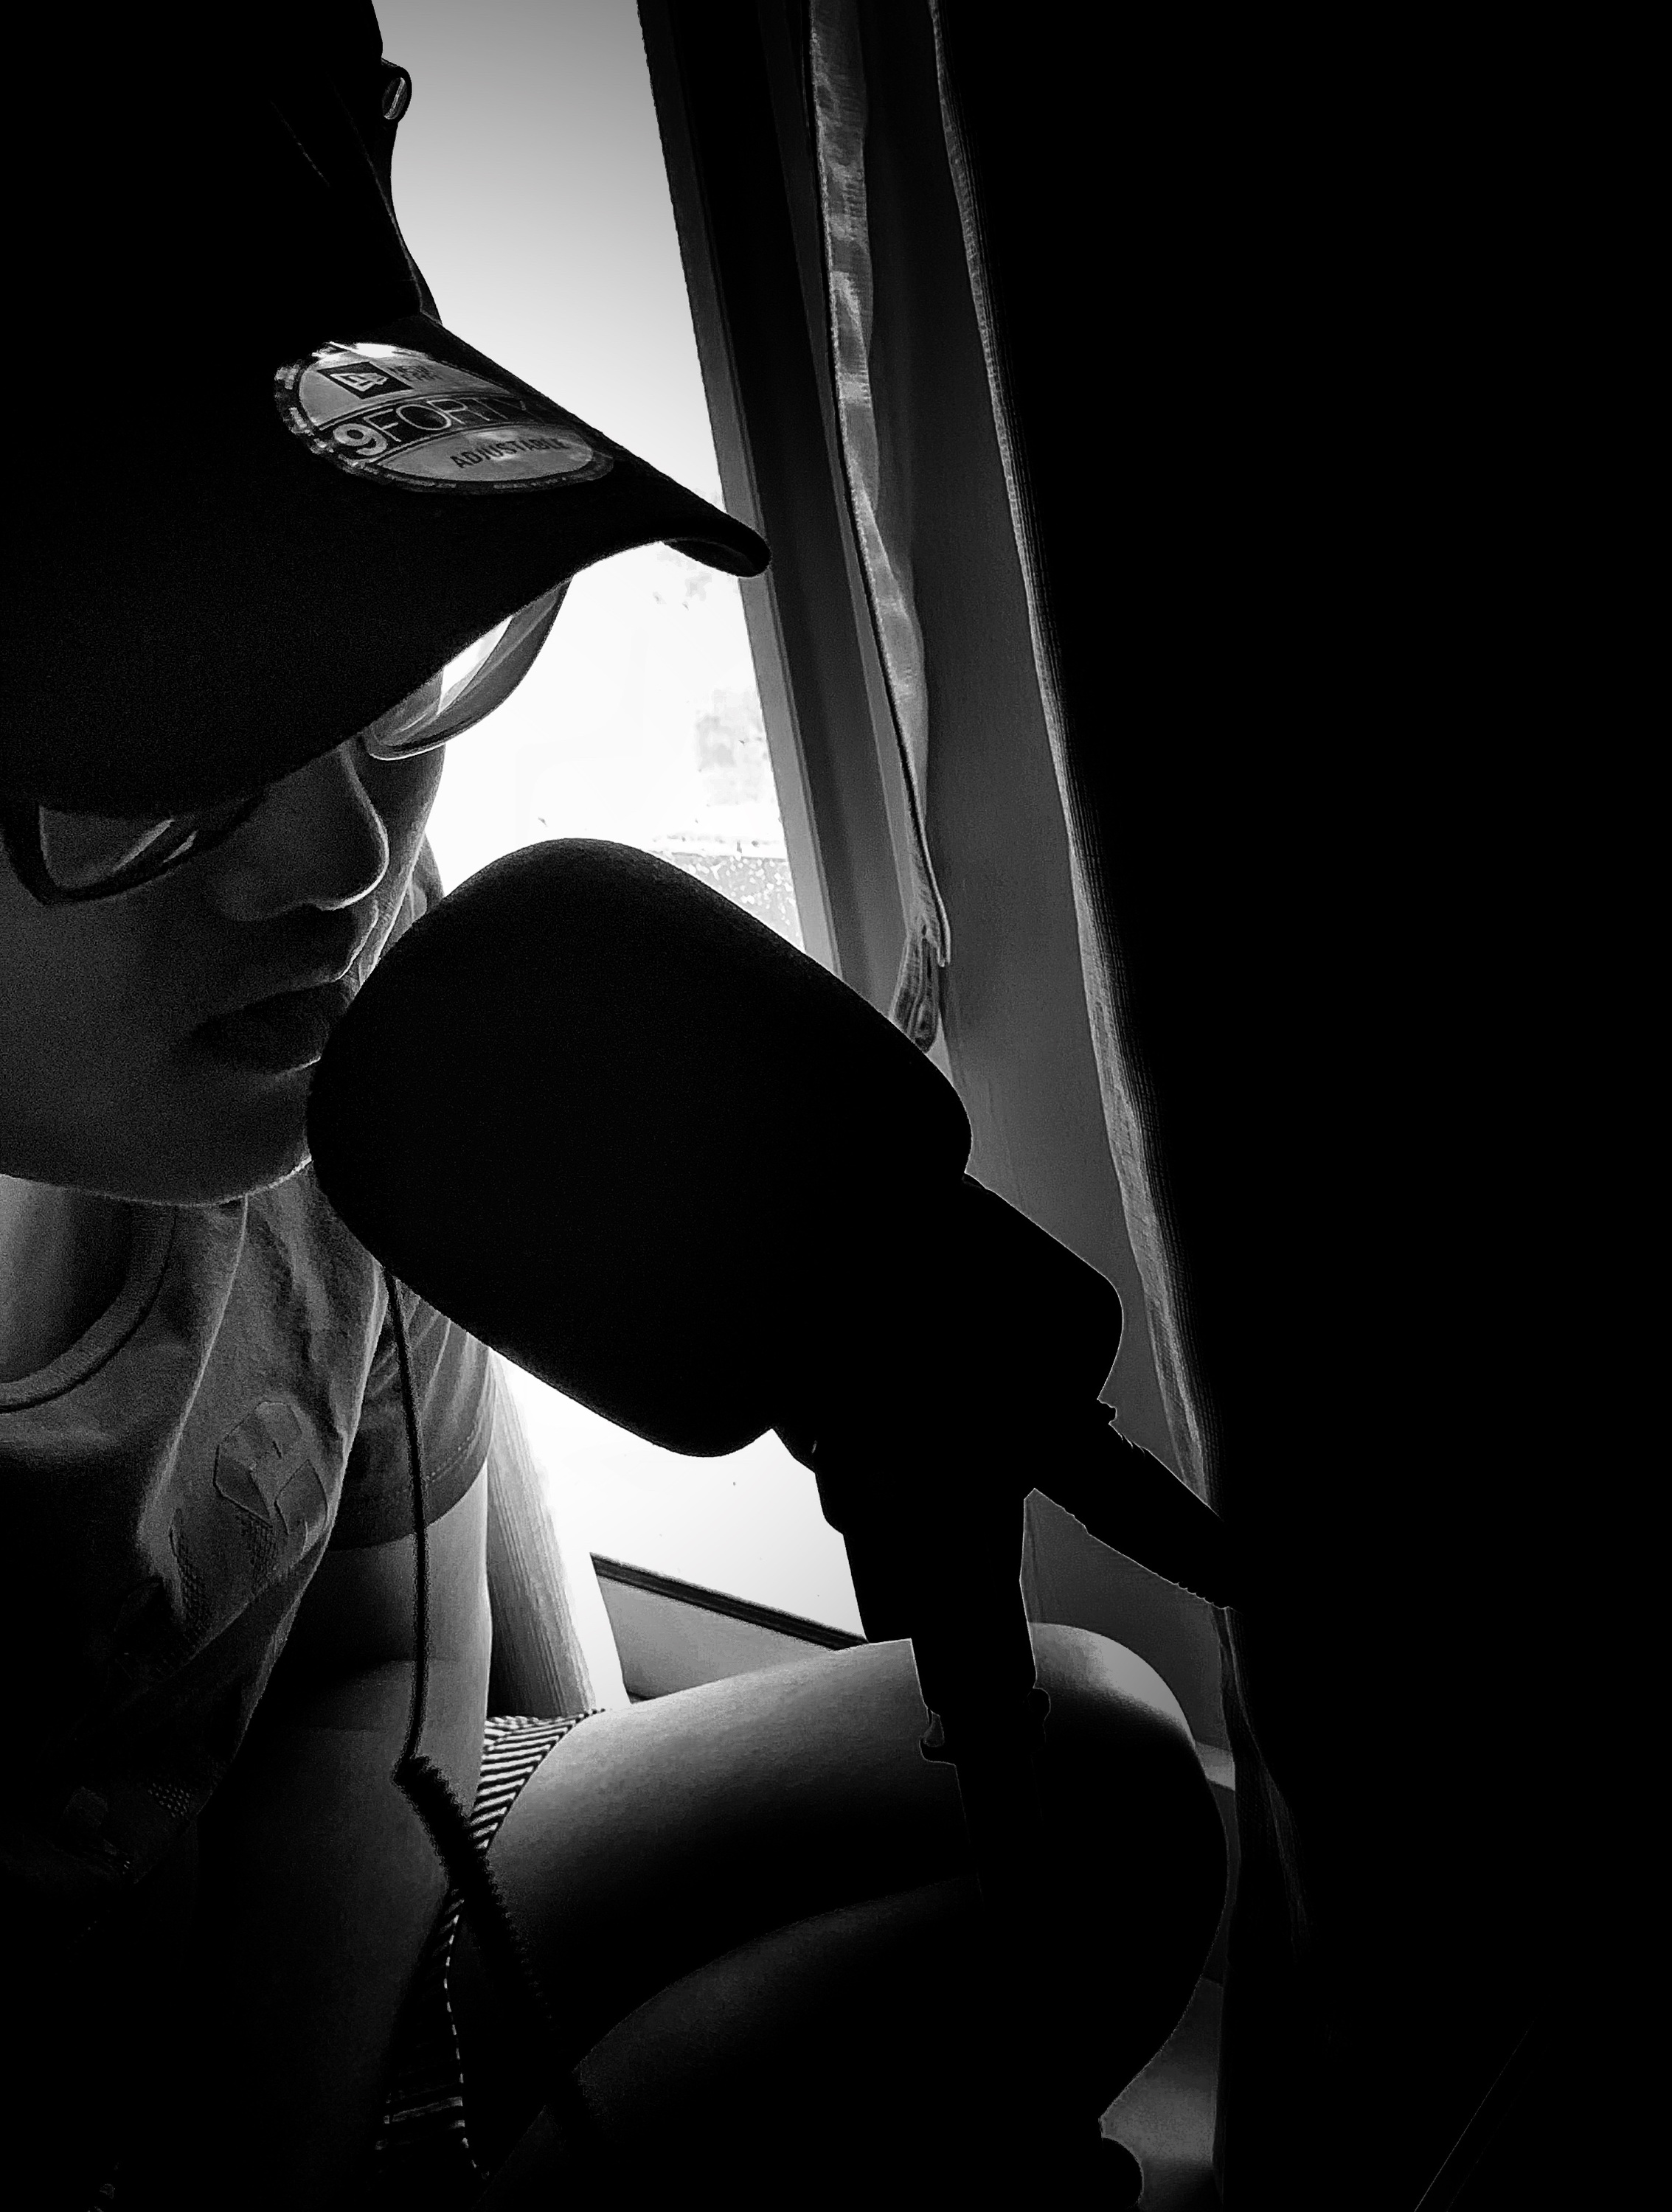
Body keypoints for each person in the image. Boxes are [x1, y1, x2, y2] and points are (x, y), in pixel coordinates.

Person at [0, 10, 1224, 2207]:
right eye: (166, 758)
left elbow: (378, 1659)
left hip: (277, 1939)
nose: (340, 860)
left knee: (1104, 1782)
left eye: (383, 681)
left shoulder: (339, 1031)